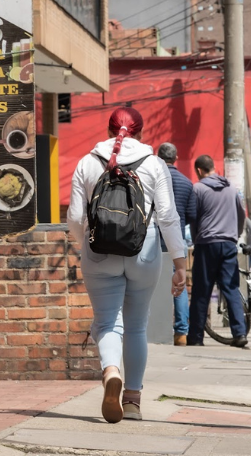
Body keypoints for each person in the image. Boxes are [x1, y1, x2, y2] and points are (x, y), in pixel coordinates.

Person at [66, 107, 187, 424]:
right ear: (142, 133)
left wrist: (85, 245)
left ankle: (111, 372)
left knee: (107, 322)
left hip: (99, 252)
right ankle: (132, 401)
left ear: (108, 131)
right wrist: (180, 262)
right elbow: (167, 216)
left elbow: (76, 218)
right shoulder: (154, 164)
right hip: (143, 252)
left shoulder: (86, 163)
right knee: (136, 327)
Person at [187, 155, 249, 347]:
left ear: (199, 170)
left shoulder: (197, 189)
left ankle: (196, 338)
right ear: (214, 167)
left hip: (206, 244)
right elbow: (241, 215)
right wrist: (235, 235)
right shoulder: (231, 189)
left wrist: (197, 238)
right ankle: (239, 333)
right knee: (231, 288)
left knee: (201, 291)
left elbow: (193, 218)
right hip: (229, 244)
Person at [157, 142, 196, 346]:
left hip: (154, 236)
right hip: (176, 238)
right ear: (176, 159)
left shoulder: (153, 178)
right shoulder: (187, 183)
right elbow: (191, 215)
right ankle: (181, 333)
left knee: (152, 282)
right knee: (179, 283)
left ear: (158, 158)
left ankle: (156, 330)